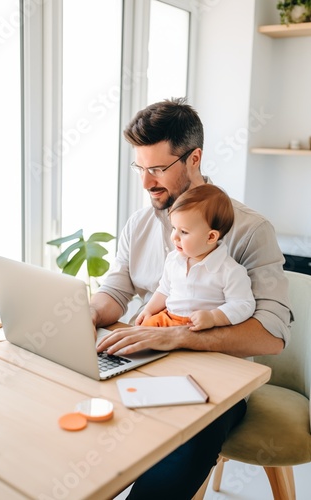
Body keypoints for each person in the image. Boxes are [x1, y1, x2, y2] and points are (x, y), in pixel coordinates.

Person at [91, 98, 292, 499]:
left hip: (214, 386)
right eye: (140, 168)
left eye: (157, 169)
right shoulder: (141, 222)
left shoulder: (251, 231)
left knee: (182, 450)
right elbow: (115, 292)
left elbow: (271, 335)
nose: (147, 183)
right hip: (143, 363)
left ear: (193, 158)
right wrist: (79, 315)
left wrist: (177, 337)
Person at [136, 184, 256, 331]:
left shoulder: (229, 271)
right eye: (174, 228)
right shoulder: (174, 260)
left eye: (184, 232)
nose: (174, 237)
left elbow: (243, 304)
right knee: (140, 332)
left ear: (211, 236)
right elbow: (164, 290)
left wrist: (213, 317)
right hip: (169, 318)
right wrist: (148, 310)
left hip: (200, 327)